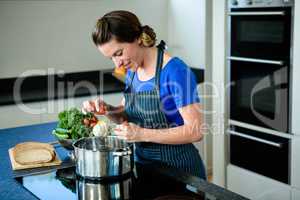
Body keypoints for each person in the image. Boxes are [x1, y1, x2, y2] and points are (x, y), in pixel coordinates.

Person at [82, 10, 206, 198]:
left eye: (119, 53)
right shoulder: (132, 70)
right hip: (145, 169)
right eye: (111, 58)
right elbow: (126, 113)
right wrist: (107, 110)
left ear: (137, 38)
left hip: (180, 175)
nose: (118, 63)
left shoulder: (175, 71)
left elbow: (196, 131)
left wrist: (142, 134)